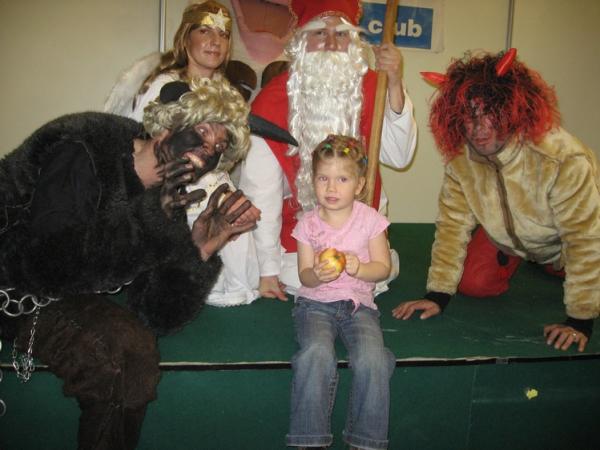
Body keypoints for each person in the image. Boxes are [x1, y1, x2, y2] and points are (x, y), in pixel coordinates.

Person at [0, 77, 257, 449]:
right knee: (120, 356)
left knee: (134, 350)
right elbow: (47, 265)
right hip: (14, 288)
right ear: (168, 125)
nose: (208, 151)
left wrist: (199, 251)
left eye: (219, 147)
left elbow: (156, 314)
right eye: (202, 132)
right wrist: (147, 220)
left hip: (62, 290)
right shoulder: (84, 147)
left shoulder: (167, 200)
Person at [392, 49, 600, 353]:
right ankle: (538, 261)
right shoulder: (461, 162)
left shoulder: (562, 158)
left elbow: (584, 238)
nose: (478, 128)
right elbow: (451, 227)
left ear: (512, 110)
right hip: (509, 242)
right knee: (473, 284)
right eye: (469, 116)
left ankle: (555, 265)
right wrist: (437, 295)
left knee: (586, 268)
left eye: (489, 113)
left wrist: (580, 319)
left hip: (563, 243)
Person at [239, 0, 417, 302]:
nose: (332, 44)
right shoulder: (271, 102)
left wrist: (395, 83)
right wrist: (267, 271)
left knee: (375, 273)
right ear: (302, 41)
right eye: (321, 33)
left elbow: (399, 157)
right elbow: (261, 194)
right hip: (299, 239)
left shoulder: (375, 86)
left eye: (342, 34)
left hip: (363, 236)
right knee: (302, 278)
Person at [105, 0, 263, 306]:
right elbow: (137, 146)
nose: (215, 41)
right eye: (205, 31)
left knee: (234, 216)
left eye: (223, 34)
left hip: (211, 182)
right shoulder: (163, 85)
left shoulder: (223, 90)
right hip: (169, 189)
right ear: (185, 36)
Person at [287, 135, 395, 450]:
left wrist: (360, 268)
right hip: (315, 305)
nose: (331, 188)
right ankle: (309, 440)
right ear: (313, 181)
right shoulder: (307, 225)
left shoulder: (371, 221)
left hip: (358, 306)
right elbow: (305, 276)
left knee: (373, 359)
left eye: (342, 179)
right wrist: (316, 275)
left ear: (359, 185)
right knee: (316, 353)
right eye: (323, 178)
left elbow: (383, 268)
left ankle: (365, 441)